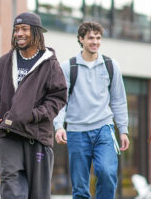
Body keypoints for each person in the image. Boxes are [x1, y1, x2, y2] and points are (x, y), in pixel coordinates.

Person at [0, 12, 67, 199]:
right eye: (16, 30)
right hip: (9, 134)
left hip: (37, 136)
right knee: (10, 188)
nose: (19, 33)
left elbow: (58, 97)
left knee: (38, 193)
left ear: (36, 33)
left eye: (24, 29)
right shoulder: (3, 63)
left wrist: (34, 115)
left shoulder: (50, 65)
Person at [53, 21, 130, 199]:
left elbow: (119, 99)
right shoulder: (68, 67)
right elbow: (60, 101)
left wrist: (123, 130)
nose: (95, 42)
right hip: (77, 132)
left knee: (107, 173)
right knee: (80, 186)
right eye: (90, 38)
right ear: (81, 39)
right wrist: (59, 126)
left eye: (98, 38)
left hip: (104, 129)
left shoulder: (111, 66)